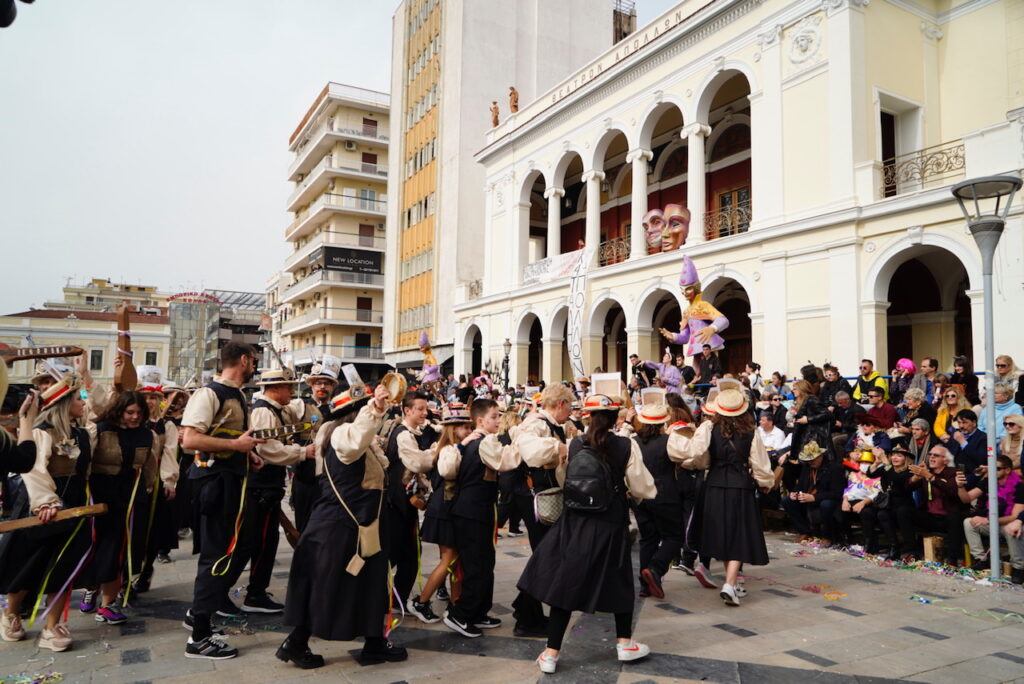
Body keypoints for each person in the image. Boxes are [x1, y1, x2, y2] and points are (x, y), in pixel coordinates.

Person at [517, 394, 656, 674]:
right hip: (610, 521)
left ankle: (550, 653)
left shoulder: (575, 442)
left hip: (576, 520)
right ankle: (624, 643)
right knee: (618, 579)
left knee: (567, 581)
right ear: (617, 416)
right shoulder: (626, 445)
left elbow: (564, 477)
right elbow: (643, 487)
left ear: (588, 416)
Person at [278, 382, 409, 668]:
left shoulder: (350, 435)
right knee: (328, 585)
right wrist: (374, 408)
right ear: (352, 413)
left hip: (360, 524)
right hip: (342, 526)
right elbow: (354, 442)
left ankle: (374, 642)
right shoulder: (341, 434)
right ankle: (297, 643)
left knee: (371, 583)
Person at [179, 342, 264, 659]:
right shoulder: (209, 393)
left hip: (230, 483)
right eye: (254, 360)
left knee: (228, 552)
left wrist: (248, 455)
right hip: (214, 485)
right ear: (244, 360)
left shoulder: (237, 394)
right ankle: (198, 638)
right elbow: (189, 439)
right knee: (214, 557)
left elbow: (228, 442)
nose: (255, 365)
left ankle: (199, 617)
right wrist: (239, 446)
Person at [0, 377, 92, 651]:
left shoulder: (84, 433)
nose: (83, 403)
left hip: (74, 507)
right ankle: (11, 614)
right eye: (78, 398)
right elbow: (35, 470)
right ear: (64, 403)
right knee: (28, 564)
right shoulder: (42, 431)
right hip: (40, 507)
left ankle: (51, 627)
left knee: (63, 567)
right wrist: (46, 503)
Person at [233, 368, 313, 614]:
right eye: (288, 387)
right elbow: (269, 450)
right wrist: (302, 452)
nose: (291, 391)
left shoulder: (278, 409)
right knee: (252, 542)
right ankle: (233, 593)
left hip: (269, 486)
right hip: (261, 486)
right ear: (275, 389)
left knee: (266, 541)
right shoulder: (263, 411)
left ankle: (256, 592)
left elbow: (302, 414)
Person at [684, 388, 775, 606]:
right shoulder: (751, 433)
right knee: (739, 535)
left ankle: (731, 583)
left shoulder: (709, 428)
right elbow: (761, 465)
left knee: (724, 534)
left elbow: (699, 456)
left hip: (714, 485)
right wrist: (766, 483)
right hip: (740, 486)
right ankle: (730, 584)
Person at [440, 399, 517, 637]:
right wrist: (523, 437)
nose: (498, 420)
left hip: (478, 511)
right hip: (471, 512)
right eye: (494, 416)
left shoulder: (481, 441)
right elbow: (505, 462)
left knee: (485, 563)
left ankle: (478, 611)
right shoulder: (484, 442)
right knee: (476, 565)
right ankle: (459, 614)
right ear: (481, 420)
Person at [85, 390, 159, 623]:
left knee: (123, 550)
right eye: (130, 412)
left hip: (131, 498)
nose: (135, 417)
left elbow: (149, 467)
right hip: (101, 496)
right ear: (119, 410)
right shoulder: (100, 430)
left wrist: (147, 489)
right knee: (100, 547)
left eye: (139, 412)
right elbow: (85, 464)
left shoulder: (147, 435)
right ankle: (91, 588)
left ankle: (108, 603)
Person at [509, 383, 574, 638]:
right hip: (537, 497)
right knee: (546, 557)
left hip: (545, 495)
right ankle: (526, 618)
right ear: (560, 404)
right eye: (569, 405)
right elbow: (530, 450)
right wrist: (558, 448)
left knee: (545, 556)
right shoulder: (536, 423)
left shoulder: (552, 423)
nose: (570, 411)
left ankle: (525, 609)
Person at [411, 403, 472, 624]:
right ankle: (421, 601)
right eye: (465, 427)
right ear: (454, 429)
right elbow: (448, 471)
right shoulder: (449, 448)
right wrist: (464, 445)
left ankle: (456, 603)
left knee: (454, 561)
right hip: (443, 509)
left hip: (448, 508)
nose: (469, 431)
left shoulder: (449, 447)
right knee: (449, 559)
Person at [383, 391, 438, 608]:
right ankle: (383, 598)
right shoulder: (403, 434)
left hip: (404, 502)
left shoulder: (413, 432)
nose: (425, 413)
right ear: (408, 410)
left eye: (426, 408)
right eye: (421, 409)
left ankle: (395, 599)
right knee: (399, 553)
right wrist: (437, 451)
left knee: (410, 555)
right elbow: (417, 463)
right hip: (396, 502)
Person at [632, 403, 682, 599]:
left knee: (648, 538)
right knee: (674, 536)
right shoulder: (668, 440)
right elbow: (688, 456)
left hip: (641, 496)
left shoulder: (633, 441)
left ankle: (645, 585)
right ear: (662, 422)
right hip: (665, 493)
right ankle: (655, 569)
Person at [957, 455, 1024, 583]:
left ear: (1008, 470)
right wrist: (960, 486)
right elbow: (966, 498)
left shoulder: (1019, 487)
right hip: (992, 522)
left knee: (1013, 529)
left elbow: (1015, 517)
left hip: (1008, 524)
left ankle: (1019, 568)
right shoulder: (989, 482)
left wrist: (988, 521)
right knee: (968, 523)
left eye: (997, 468)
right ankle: (982, 560)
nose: (993, 471)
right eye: (991, 468)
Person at [294, 357, 340, 532]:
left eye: (327, 383)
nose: (322, 387)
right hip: (305, 475)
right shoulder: (301, 407)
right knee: (304, 525)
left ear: (332, 387)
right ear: (312, 385)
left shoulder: (337, 411)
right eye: (318, 383)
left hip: (331, 476)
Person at [901, 446, 967, 563]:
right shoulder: (926, 472)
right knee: (904, 511)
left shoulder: (953, 472)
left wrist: (930, 477)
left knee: (955, 518)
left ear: (945, 460)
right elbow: (906, 489)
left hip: (948, 517)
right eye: (930, 454)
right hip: (930, 517)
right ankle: (911, 551)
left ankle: (952, 559)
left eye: (935, 455)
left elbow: (952, 491)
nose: (931, 457)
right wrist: (915, 478)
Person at [781, 442, 846, 545]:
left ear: (820, 456)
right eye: (808, 460)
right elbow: (800, 485)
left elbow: (837, 493)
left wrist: (814, 497)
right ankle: (804, 531)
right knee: (787, 500)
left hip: (827, 499)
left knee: (826, 504)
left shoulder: (834, 468)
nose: (810, 462)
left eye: (813, 459)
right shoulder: (807, 467)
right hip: (809, 497)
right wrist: (795, 492)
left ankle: (827, 536)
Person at [863, 447, 917, 559]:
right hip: (887, 503)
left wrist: (885, 460)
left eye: (899, 456)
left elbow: (897, 479)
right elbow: (870, 474)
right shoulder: (887, 468)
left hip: (902, 504)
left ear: (906, 459)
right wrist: (877, 462)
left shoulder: (909, 471)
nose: (894, 458)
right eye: (893, 455)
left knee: (886, 514)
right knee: (867, 512)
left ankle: (902, 548)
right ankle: (876, 544)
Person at [788, 380, 834, 461]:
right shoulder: (803, 401)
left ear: (801, 389)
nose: (793, 391)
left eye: (795, 389)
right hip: (806, 436)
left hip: (813, 437)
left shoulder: (811, 399)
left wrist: (808, 419)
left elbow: (827, 414)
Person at [941, 409, 987, 484]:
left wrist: (963, 442)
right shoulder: (956, 435)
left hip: (974, 476)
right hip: (955, 474)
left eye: (965, 422)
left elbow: (980, 459)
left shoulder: (983, 438)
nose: (961, 426)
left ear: (974, 423)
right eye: (959, 422)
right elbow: (949, 453)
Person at [829, 391, 864, 456]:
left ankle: (842, 460)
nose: (839, 405)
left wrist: (842, 425)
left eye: (840, 403)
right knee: (827, 436)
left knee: (836, 440)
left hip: (852, 434)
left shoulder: (858, 410)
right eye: (838, 403)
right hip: (842, 431)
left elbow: (857, 427)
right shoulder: (840, 408)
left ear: (847, 400)